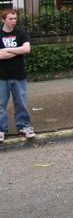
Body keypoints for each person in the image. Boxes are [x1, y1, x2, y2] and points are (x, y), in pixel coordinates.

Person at [0, 9, 34, 142]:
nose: (13, 21)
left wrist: (6, 49)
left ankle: (23, 126)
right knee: (1, 103)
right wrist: (17, 51)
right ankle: (2, 129)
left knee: (21, 102)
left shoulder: (20, 33)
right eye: (10, 19)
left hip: (18, 74)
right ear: (3, 20)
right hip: (2, 75)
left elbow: (26, 49)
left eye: (15, 18)